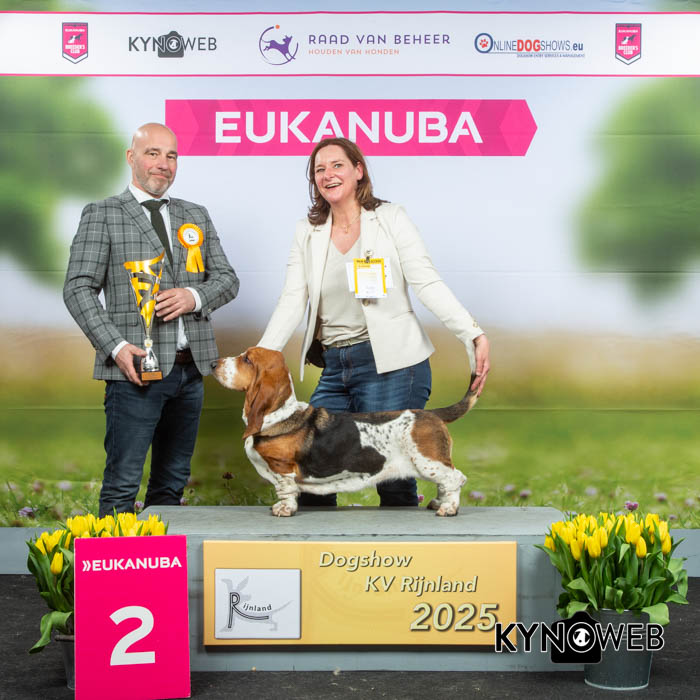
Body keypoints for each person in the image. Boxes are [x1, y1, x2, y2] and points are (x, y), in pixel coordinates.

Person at [259, 137, 490, 508]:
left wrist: (472, 334)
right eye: (319, 169)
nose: (328, 175)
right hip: (335, 366)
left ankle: (405, 543)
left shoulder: (391, 218)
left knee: (394, 482)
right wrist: (260, 356)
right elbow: (292, 299)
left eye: (337, 165)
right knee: (311, 477)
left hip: (394, 366)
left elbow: (426, 282)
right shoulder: (307, 231)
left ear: (358, 170)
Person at [64, 122, 239, 517]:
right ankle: (115, 559)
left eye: (171, 155)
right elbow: (77, 288)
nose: (163, 163)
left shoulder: (196, 214)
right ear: (131, 158)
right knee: (123, 483)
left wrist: (193, 296)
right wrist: (116, 347)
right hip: (134, 372)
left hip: (190, 372)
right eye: (153, 153)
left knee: (172, 482)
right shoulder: (103, 214)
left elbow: (227, 280)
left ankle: (159, 558)